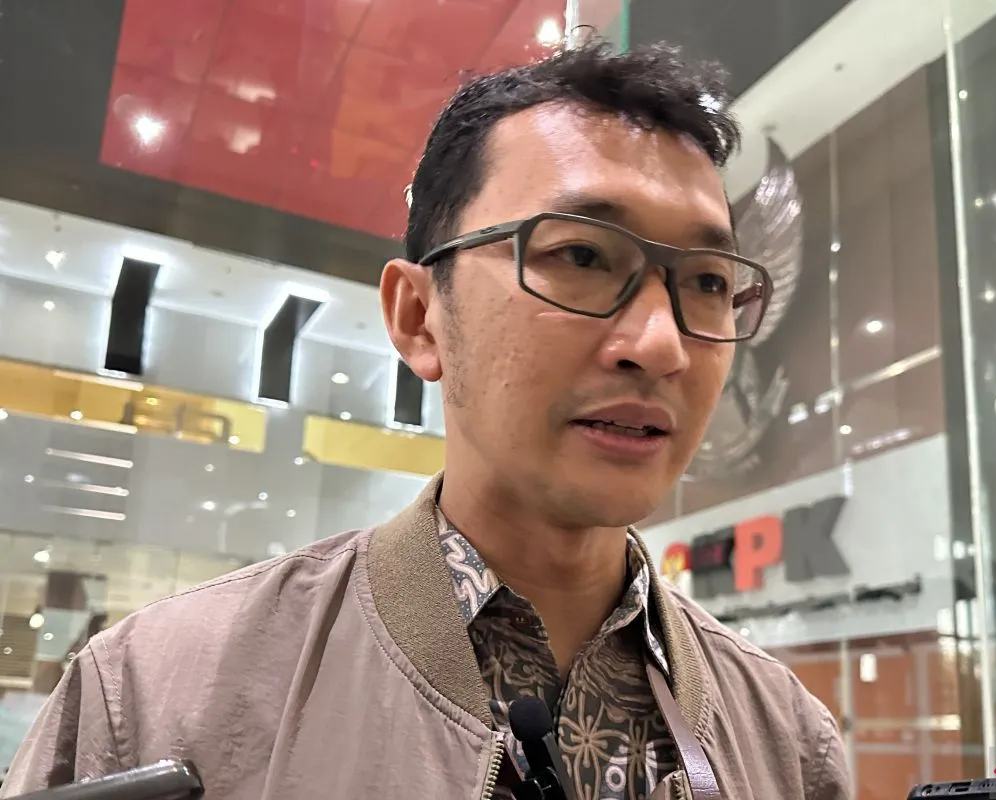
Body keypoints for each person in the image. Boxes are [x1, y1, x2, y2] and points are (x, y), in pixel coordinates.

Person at [1, 40, 849, 800]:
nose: (661, 344)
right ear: (417, 316)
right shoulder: (155, 699)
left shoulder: (786, 740)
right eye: (582, 255)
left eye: (707, 282)